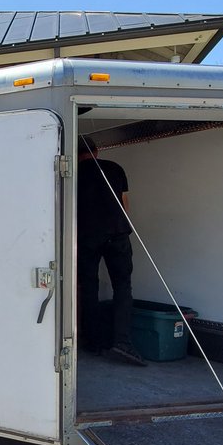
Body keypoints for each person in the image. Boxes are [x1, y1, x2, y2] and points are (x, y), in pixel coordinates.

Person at [77, 146, 145, 366]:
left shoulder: (75, 172)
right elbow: (124, 204)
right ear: (96, 151)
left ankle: (93, 342)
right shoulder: (114, 168)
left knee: (88, 287)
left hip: (86, 236)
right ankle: (122, 343)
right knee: (123, 287)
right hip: (117, 234)